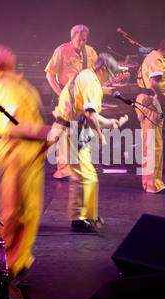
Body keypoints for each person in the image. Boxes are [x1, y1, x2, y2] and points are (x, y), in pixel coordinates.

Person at [0, 43, 53, 292]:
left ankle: (18, 262)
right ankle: (6, 267)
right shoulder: (4, 86)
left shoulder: (14, 82)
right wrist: (45, 132)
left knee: (28, 212)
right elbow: (11, 126)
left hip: (29, 156)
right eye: (1, 50)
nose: (8, 50)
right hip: (17, 155)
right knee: (15, 213)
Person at [51, 53, 120, 232]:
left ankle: (88, 215)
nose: (109, 80)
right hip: (72, 130)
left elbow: (89, 113)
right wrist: (100, 134)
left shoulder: (85, 76)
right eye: (110, 76)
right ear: (103, 69)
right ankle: (79, 218)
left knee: (87, 174)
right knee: (83, 175)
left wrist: (108, 122)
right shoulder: (91, 81)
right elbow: (90, 114)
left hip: (75, 129)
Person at [45, 25, 98, 179]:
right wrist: (61, 93)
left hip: (83, 98)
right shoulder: (61, 50)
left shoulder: (91, 51)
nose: (82, 43)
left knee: (82, 131)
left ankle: (79, 165)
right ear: (72, 38)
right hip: (65, 95)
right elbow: (49, 73)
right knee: (65, 132)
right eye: (79, 40)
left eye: (84, 40)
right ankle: (63, 169)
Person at [135, 38, 165, 193]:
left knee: (153, 145)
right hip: (150, 105)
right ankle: (152, 185)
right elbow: (154, 83)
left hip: (148, 103)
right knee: (153, 146)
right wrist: (164, 101)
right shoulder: (157, 60)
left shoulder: (152, 57)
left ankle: (152, 183)